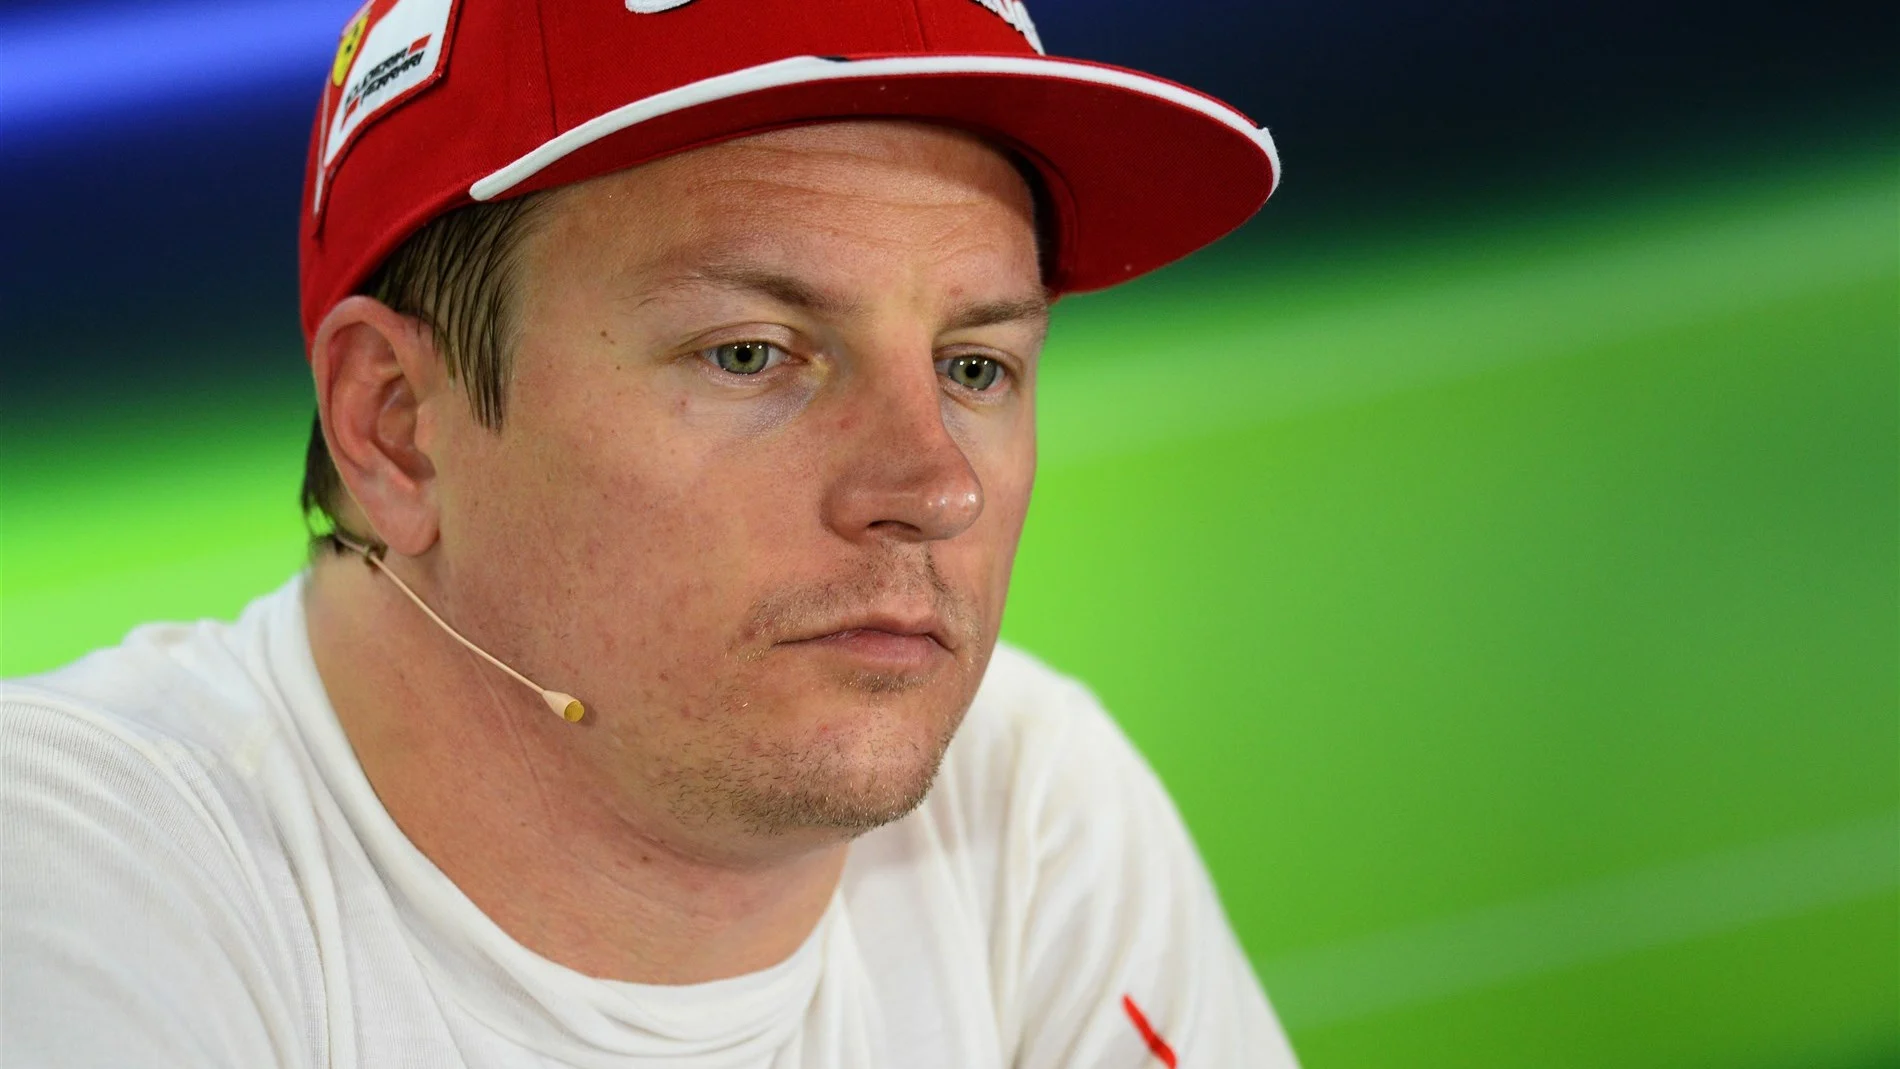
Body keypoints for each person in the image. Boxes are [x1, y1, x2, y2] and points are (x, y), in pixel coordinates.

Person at [0, 1, 1297, 1065]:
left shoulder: (1026, 799)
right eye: (751, 353)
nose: (933, 487)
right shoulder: (68, 863)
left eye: (974, 366)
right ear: (396, 426)